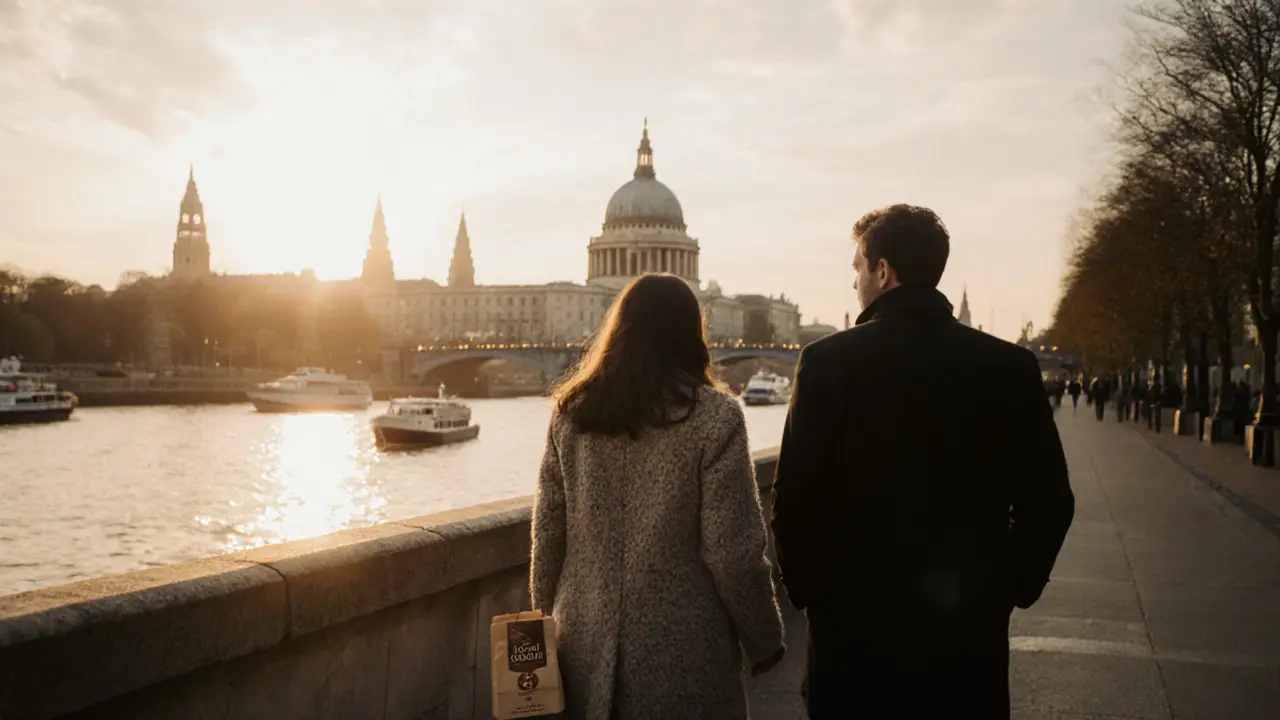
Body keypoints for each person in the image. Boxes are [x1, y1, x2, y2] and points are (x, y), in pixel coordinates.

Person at [770, 204, 1075, 719]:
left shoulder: (827, 364)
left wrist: (815, 600)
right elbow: (1050, 501)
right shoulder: (1009, 368)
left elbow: (795, 503)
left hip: (854, 640)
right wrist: (1008, 589)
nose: (855, 286)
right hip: (967, 642)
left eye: (858, 271)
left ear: (882, 271)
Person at [531, 272, 786, 720]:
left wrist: (542, 627)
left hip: (583, 648)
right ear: (691, 334)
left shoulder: (571, 414)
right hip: (686, 658)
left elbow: (547, 537)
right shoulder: (715, 418)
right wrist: (764, 640)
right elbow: (735, 554)